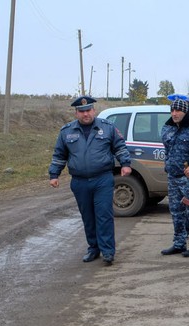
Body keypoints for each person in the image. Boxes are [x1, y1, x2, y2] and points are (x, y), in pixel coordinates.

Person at [48, 96, 132, 264]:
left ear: (94, 110)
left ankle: (108, 251)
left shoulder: (107, 127)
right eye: (81, 111)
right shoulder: (67, 131)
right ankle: (93, 248)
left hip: (102, 179)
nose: (85, 114)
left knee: (104, 215)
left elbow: (119, 146)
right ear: (76, 113)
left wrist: (125, 164)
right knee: (88, 217)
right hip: (79, 182)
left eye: (88, 110)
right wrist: (54, 174)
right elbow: (59, 154)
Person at [160, 98, 189, 257]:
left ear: (186, 112)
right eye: (172, 110)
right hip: (173, 177)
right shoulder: (168, 128)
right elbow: (167, 150)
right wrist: (168, 165)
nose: (174, 113)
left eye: (178, 110)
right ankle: (179, 243)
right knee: (176, 212)